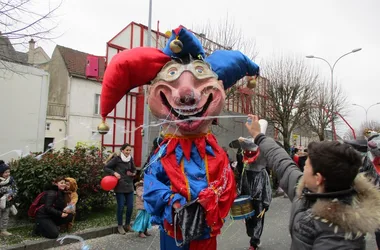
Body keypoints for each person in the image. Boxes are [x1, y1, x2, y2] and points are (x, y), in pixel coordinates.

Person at [245, 114, 380, 249]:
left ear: (318, 178)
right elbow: (282, 162)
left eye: (307, 165)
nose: (302, 167)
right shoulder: (307, 191)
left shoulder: (340, 238)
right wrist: (258, 136)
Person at [236, 137, 271, 250]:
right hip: (247, 200)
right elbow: (242, 183)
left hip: (259, 201)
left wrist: (266, 202)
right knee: (249, 221)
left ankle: (254, 242)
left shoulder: (263, 172)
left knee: (258, 221)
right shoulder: (246, 171)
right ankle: (253, 237)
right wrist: (239, 195)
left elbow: (267, 187)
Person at [104, 143, 136, 235]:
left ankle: (127, 225)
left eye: (130, 150)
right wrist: (114, 173)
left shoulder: (130, 159)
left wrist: (133, 173)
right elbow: (106, 167)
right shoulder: (117, 159)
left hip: (129, 185)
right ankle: (120, 226)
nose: (128, 152)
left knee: (130, 207)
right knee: (121, 207)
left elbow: (134, 169)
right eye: (127, 150)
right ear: (122, 150)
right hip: (120, 186)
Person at [0, 161, 17, 236]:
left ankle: (3, 230)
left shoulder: (11, 180)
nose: (8, 174)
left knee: (5, 217)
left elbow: (15, 189)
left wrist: (12, 195)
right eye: (5, 172)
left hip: (8, 202)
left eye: (8, 172)